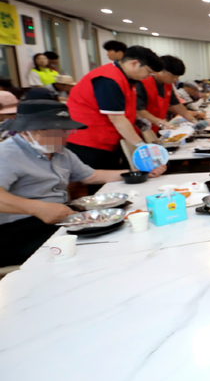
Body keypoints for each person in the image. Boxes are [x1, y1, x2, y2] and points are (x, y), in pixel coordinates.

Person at [0, 100, 156, 267]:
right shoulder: (7, 154)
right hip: (18, 230)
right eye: (56, 131)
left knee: (117, 229)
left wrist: (139, 172)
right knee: (88, 251)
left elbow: (91, 176)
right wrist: (38, 208)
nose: (64, 137)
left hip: (57, 218)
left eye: (66, 130)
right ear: (27, 131)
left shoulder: (61, 153)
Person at [66, 46, 167, 192]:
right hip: (89, 141)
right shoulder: (108, 79)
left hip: (107, 139)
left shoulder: (126, 79)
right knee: (102, 187)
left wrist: (136, 122)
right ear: (134, 63)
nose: (148, 77)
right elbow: (117, 119)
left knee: (115, 181)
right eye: (148, 72)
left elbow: (122, 111)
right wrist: (141, 147)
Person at [136, 55, 204, 131]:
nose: (175, 80)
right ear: (160, 70)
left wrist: (194, 121)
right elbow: (139, 111)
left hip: (155, 127)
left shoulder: (167, 85)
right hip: (141, 128)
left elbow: (177, 105)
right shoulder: (143, 83)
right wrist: (161, 123)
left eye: (177, 77)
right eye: (173, 76)